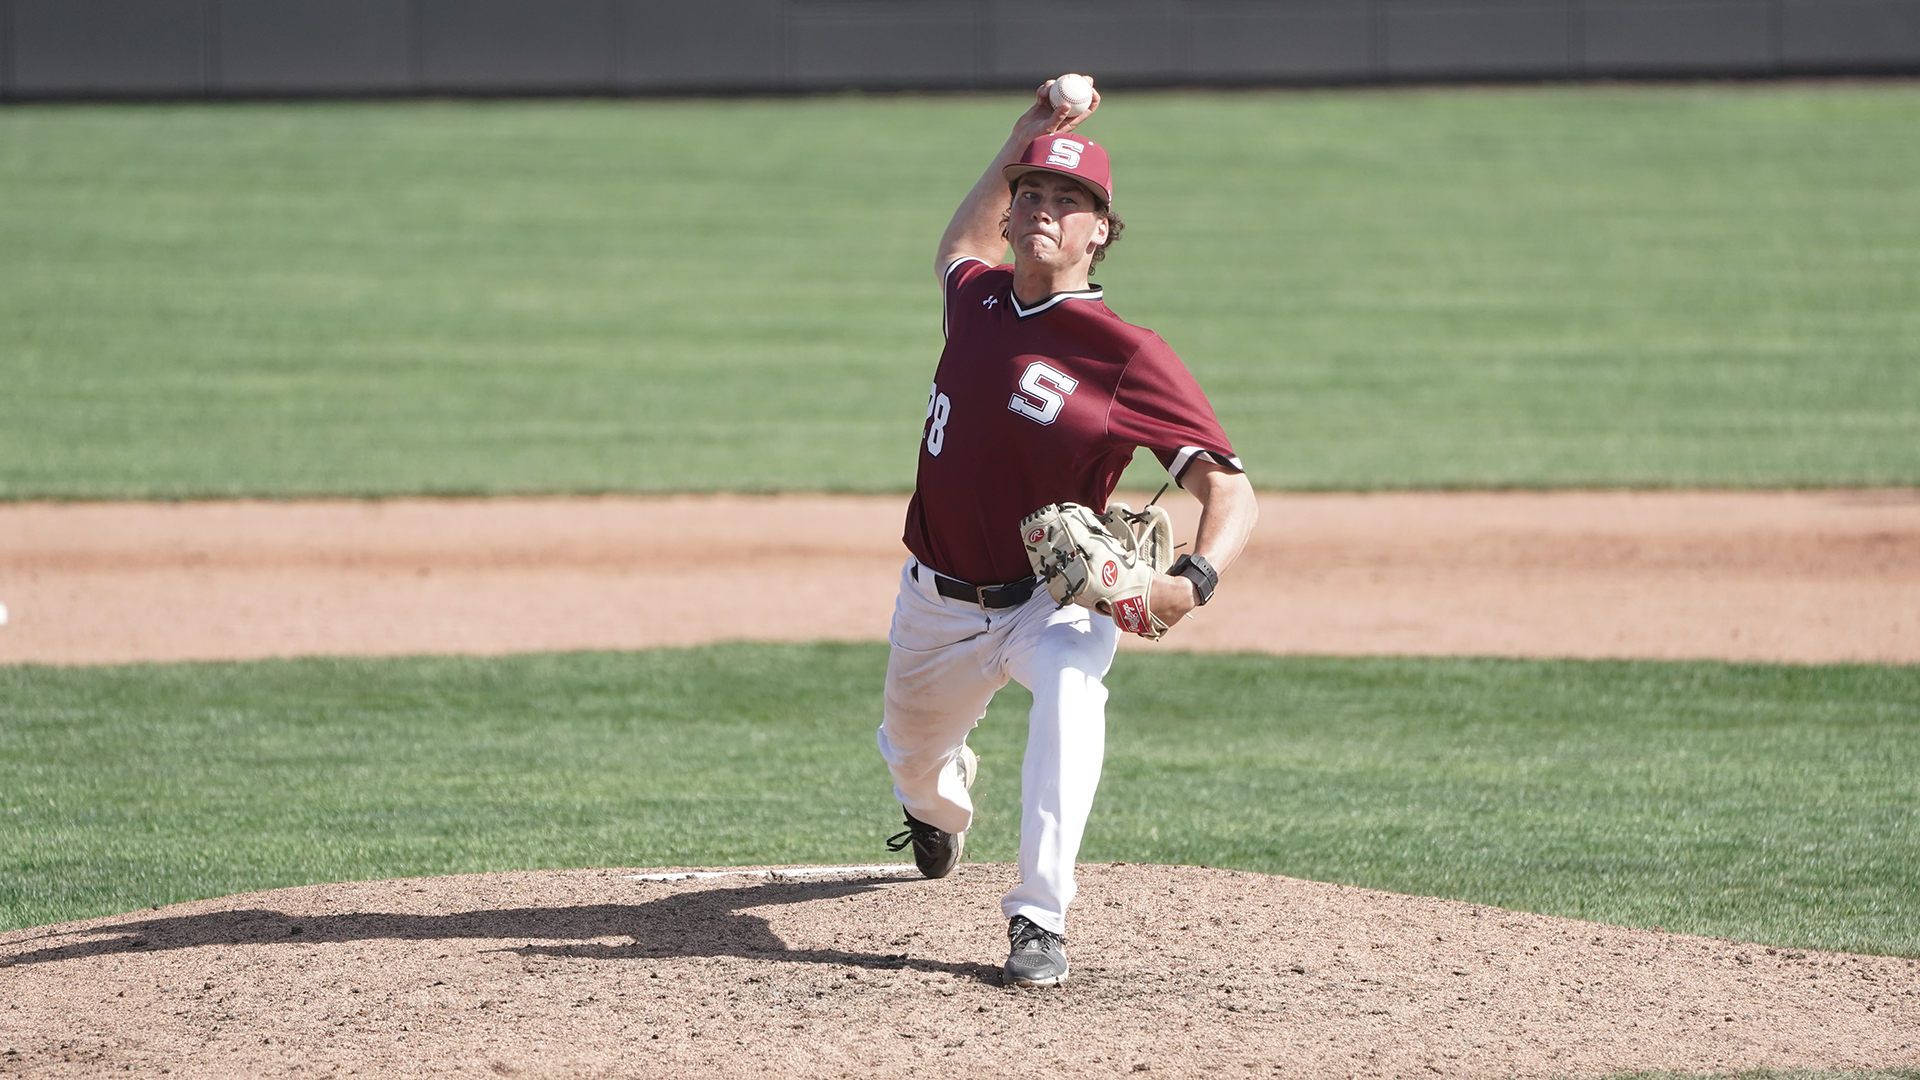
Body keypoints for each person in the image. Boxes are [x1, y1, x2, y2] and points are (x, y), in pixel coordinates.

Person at [876, 76, 1259, 988]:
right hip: (935, 602)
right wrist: (1029, 130)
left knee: (1075, 698)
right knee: (914, 762)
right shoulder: (974, 297)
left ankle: (1039, 919)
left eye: (1071, 200)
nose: (1046, 209)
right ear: (1012, 218)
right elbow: (955, 242)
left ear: (1100, 232)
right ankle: (937, 808)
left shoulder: (1127, 354)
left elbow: (1231, 490)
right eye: (1033, 194)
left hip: (1056, 598)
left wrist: (1193, 581)